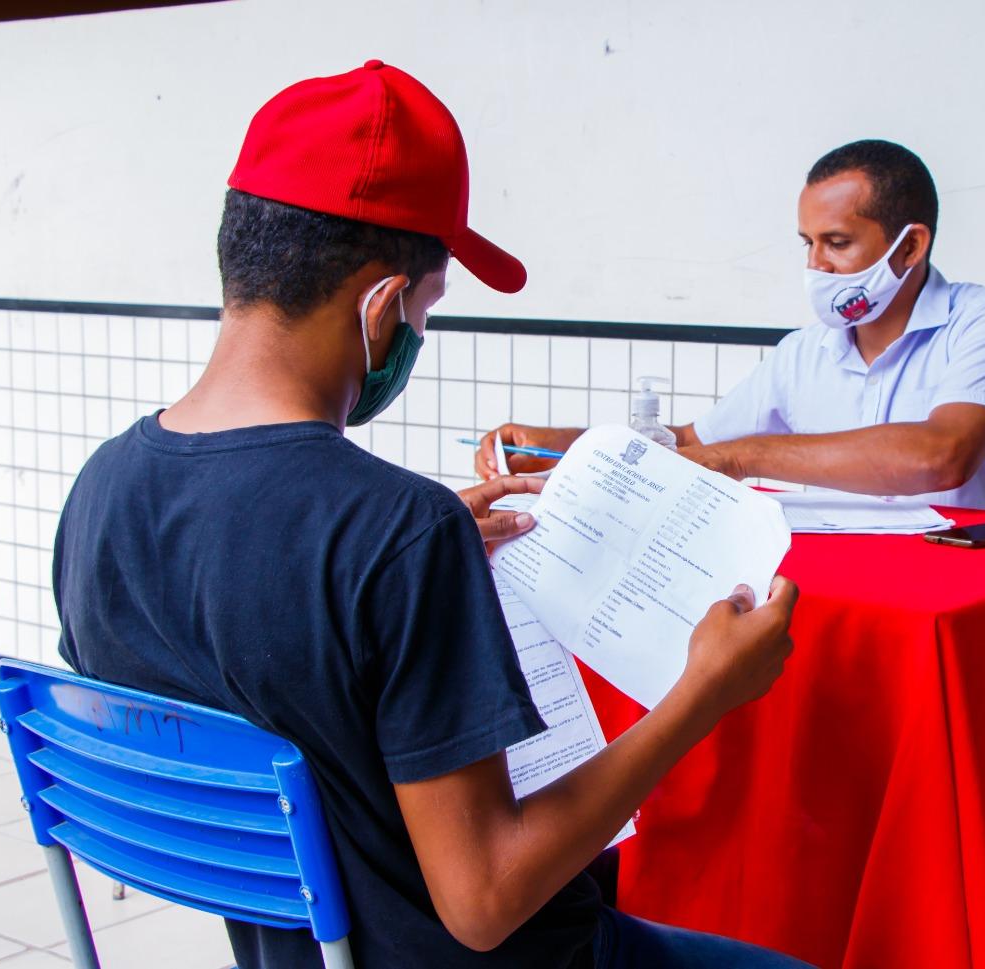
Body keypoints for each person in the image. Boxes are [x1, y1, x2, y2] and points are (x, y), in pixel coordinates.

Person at [52, 62, 807, 968]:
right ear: (380, 303)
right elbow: (484, 902)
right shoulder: (396, 534)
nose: (418, 331)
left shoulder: (102, 489)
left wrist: (399, 543)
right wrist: (702, 694)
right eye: (427, 303)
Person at [477, 140, 985, 514]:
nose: (816, 266)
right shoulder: (804, 353)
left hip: (978, 592)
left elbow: (942, 456)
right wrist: (560, 447)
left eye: (838, 244)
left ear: (910, 246)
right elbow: (693, 444)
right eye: (809, 243)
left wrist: (746, 456)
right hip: (866, 586)